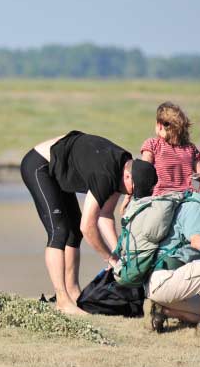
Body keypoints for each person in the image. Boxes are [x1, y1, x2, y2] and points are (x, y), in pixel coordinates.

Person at [20, 131, 158, 315]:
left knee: (73, 234)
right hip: (39, 165)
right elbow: (88, 226)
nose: (130, 195)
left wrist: (119, 254)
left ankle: (73, 294)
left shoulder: (125, 167)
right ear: (127, 176)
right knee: (59, 233)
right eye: (133, 190)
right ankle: (62, 300)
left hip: (60, 170)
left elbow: (105, 216)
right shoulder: (106, 174)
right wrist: (109, 258)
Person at [146, 195, 200, 332]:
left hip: (168, 283)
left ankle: (162, 310)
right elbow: (197, 241)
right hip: (166, 277)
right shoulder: (195, 206)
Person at [140, 101, 198, 195]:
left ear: (159, 125)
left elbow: (143, 172)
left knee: (134, 209)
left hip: (163, 197)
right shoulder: (191, 148)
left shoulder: (152, 144)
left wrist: (131, 196)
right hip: (188, 196)